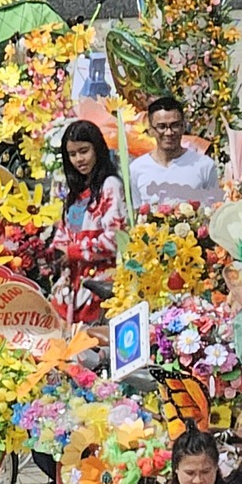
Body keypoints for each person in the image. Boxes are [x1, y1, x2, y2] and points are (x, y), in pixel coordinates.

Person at [49, 120, 126, 321]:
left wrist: (74, 252)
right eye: (72, 155)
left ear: (97, 150)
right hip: (71, 288)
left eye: (84, 151)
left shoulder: (110, 186)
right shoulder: (75, 192)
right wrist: (58, 252)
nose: (79, 160)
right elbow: (63, 234)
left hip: (100, 287)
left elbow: (115, 239)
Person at [129, 95, 224, 208]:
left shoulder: (204, 165)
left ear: (183, 126)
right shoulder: (137, 168)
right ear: (151, 130)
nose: (169, 133)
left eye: (175, 125)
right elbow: (136, 214)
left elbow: (215, 211)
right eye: (162, 126)